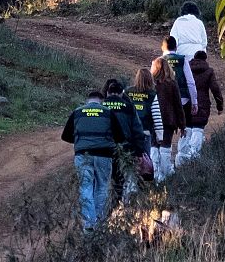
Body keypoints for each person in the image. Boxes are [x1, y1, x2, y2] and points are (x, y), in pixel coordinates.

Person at [62, 91, 124, 233]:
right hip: (104, 155)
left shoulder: (77, 112)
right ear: (101, 101)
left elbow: (65, 136)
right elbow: (120, 137)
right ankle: (100, 223)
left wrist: (80, 142)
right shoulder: (108, 112)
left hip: (83, 154)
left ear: (87, 100)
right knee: (102, 187)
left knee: (86, 187)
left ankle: (89, 225)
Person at [176, 51, 224, 165]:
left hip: (187, 104)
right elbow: (215, 89)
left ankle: (180, 161)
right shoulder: (208, 71)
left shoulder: (187, 68)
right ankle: (194, 162)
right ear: (205, 59)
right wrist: (219, 105)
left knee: (186, 130)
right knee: (197, 131)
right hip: (202, 106)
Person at [103, 81, 147, 204]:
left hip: (104, 149)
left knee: (105, 180)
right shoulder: (128, 107)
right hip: (125, 149)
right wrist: (139, 152)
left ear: (107, 92)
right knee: (122, 179)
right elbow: (137, 130)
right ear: (122, 93)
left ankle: (105, 208)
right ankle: (121, 205)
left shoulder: (101, 106)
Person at [161, 36, 199, 167]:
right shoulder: (183, 60)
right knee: (186, 128)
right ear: (176, 47)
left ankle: (164, 165)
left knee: (166, 132)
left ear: (163, 47)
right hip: (183, 100)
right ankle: (181, 161)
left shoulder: (159, 61)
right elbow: (190, 82)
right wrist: (194, 102)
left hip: (164, 103)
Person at [150, 58, 185, 182]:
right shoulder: (172, 84)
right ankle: (165, 177)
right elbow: (178, 105)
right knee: (165, 148)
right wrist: (182, 124)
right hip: (168, 121)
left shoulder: (151, 84)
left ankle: (155, 175)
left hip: (153, 121)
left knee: (154, 147)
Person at [125, 68, 164, 158]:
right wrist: (160, 136)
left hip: (129, 133)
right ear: (150, 79)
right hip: (145, 132)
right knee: (144, 162)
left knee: (128, 161)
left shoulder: (127, 92)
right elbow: (157, 116)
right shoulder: (152, 95)